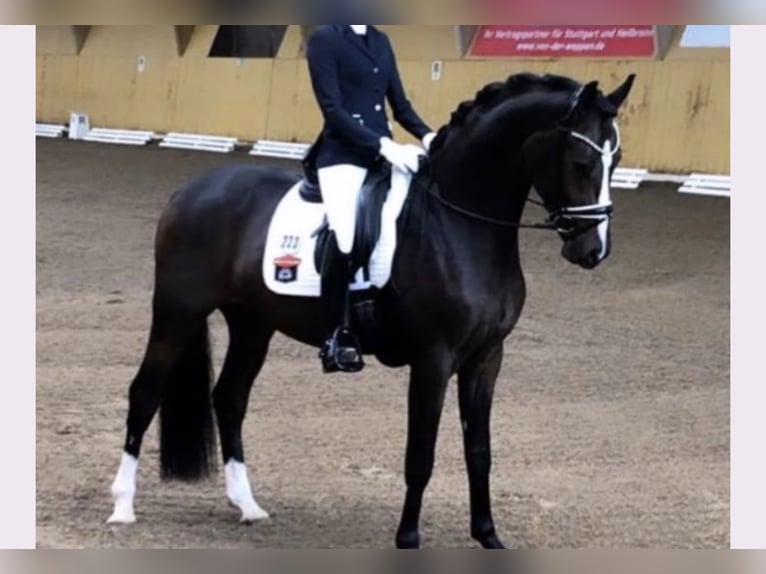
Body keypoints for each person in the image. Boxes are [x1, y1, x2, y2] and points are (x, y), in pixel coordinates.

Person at [306, 24, 437, 374]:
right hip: (342, 155)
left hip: (383, 154)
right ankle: (334, 336)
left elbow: (401, 105)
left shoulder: (380, 41)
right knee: (345, 232)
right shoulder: (324, 39)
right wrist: (383, 144)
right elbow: (333, 110)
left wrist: (430, 137)